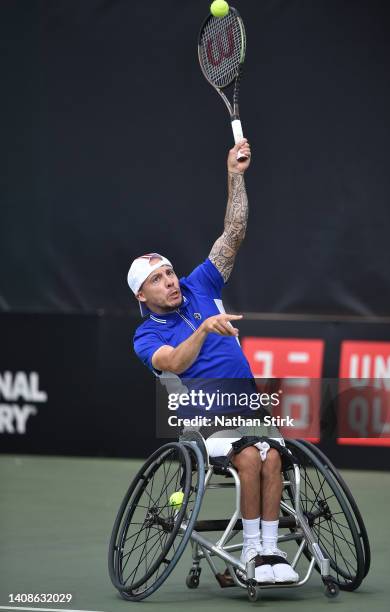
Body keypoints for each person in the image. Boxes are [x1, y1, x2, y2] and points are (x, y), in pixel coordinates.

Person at [127, 139, 298, 584]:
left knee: (274, 457)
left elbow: (233, 233)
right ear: (141, 296)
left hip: (250, 408)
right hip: (204, 421)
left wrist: (235, 175)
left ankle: (269, 551)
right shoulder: (146, 335)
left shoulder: (198, 283)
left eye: (168, 272)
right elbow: (174, 363)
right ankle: (255, 554)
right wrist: (204, 330)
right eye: (157, 280)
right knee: (249, 458)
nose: (169, 281)